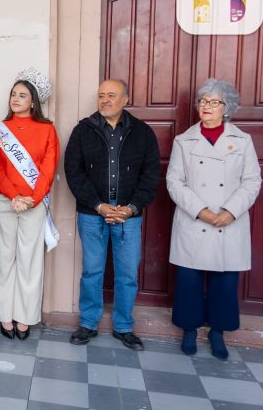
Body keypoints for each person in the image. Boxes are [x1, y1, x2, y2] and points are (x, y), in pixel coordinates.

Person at [166, 79, 261, 360]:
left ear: (227, 108)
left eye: (214, 102)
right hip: (195, 219)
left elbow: (252, 180)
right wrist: (201, 211)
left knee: (225, 282)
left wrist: (231, 211)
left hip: (229, 222)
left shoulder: (242, 141)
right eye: (203, 101)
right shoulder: (184, 140)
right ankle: (189, 329)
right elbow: (174, 182)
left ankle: (218, 332)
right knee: (189, 280)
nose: (206, 107)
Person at [64, 79, 160, 350]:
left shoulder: (142, 133)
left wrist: (131, 208)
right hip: (92, 214)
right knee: (92, 271)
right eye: (101, 95)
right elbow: (74, 172)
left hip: (128, 216)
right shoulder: (83, 130)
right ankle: (88, 323)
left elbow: (151, 175)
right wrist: (98, 204)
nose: (105, 100)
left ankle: (123, 326)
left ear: (125, 100)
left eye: (111, 95)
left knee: (127, 274)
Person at [0, 68, 59, 341]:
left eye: (23, 95)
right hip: (5, 201)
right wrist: (14, 195)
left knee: (30, 261)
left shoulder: (47, 129)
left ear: (33, 101)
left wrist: (32, 198)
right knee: (3, 259)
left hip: (33, 203)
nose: (16, 99)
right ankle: (5, 315)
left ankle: (25, 317)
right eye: (13, 94)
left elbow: (48, 168)